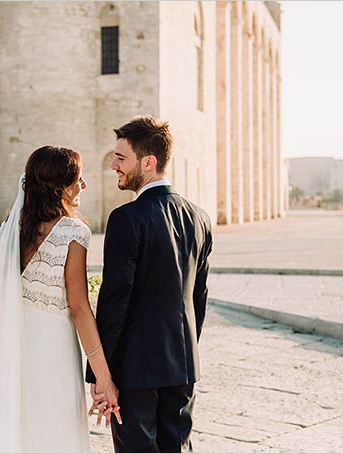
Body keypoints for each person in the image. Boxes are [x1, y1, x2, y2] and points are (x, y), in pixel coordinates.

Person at [0, 145, 121, 453]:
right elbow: (79, 308)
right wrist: (104, 377)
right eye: (78, 178)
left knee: (21, 426)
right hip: (54, 348)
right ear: (60, 186)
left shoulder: (12, 229)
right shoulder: (73, 231)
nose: (84, 185)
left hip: (17, 343)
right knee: (57, 430)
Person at [86, 116, 213, 453]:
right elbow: (198, 299)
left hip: (135, 371)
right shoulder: (199, 217)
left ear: (149, 162)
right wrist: (184, 353)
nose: (113, 165)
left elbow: (115, 302)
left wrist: (102, 376)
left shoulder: (126, 219)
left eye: (121, 158)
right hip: (183, 366)